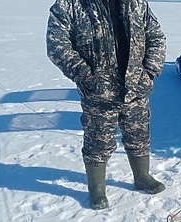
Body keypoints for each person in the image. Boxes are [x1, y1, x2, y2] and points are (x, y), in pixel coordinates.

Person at [46, 0, 167, 210]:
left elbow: (155, 37)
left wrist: (149, 72)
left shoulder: (137, 3)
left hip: (136, 88)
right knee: (97, 142)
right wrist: (88, 78)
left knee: (139, 135)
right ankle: (97, 190)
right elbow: (58, 46)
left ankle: (142, 177)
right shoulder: (69, 6)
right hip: (98, 92)